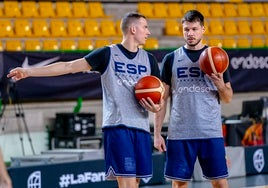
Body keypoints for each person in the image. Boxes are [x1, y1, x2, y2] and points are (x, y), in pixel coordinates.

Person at [7, 12, 162, 188]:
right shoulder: (107, 54)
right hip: (118, 127)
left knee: (135, 183)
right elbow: (69, 66)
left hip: (141, 129)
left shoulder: (149, 60)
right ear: (133, 29)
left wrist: (157, 107)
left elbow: (160, 97)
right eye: (145, 27)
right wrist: (29, 71)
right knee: (126, 183)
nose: (148, 32)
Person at [154, 10, 233, 188]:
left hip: (210, 131)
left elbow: (227, 97)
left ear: (203, 29)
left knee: (220, 182)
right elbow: (162, 99)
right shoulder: (171, 59)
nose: (190, 34)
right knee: (179, 184)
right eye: (186, 29)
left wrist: (219, 83)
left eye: (194, 29)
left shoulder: (217, 57)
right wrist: (157, 133)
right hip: (180, 133)